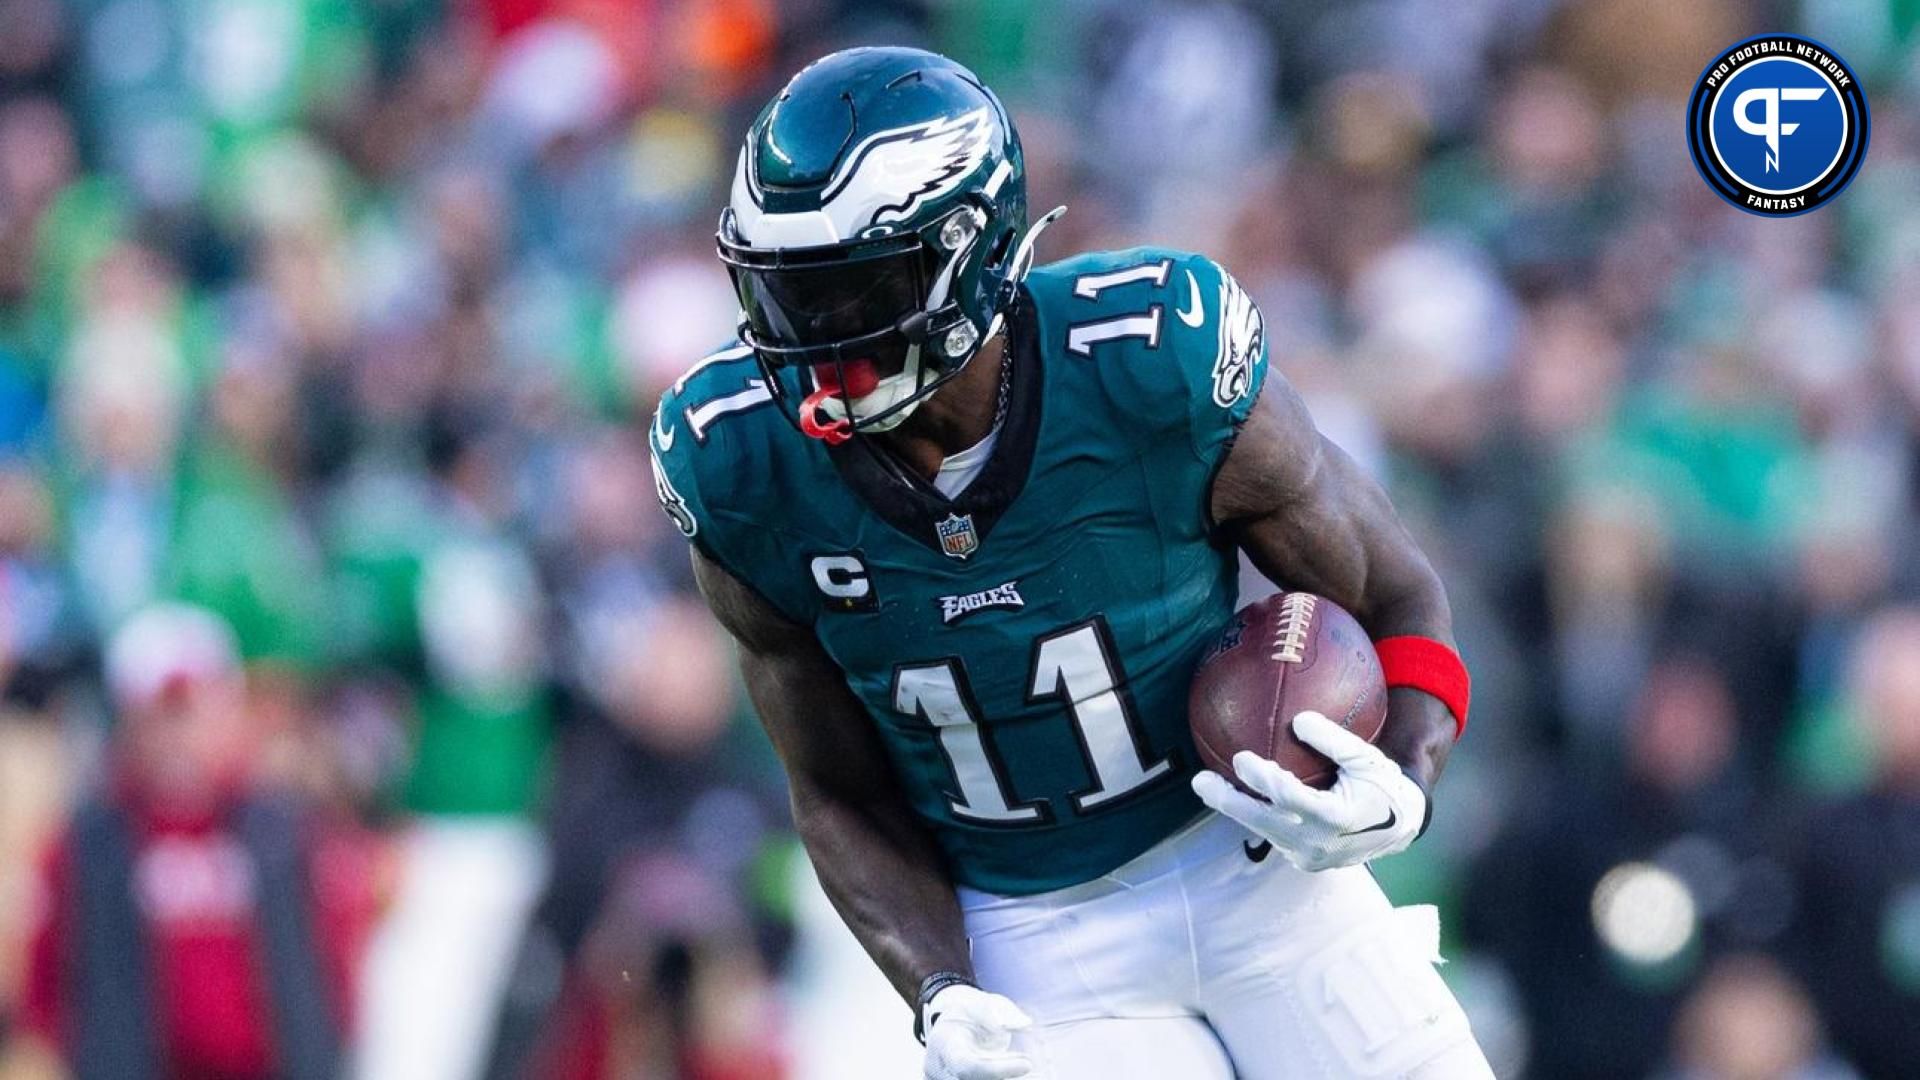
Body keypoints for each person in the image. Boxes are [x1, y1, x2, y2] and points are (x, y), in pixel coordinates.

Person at [654, 47, 1490, 1079]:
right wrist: (938, 988)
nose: (804, 348)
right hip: (1033, 937)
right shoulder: (738, 463)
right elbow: (837, 791)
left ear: (964, 253)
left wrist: (1401, 783)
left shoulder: (1148, 359)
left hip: (1264, 871)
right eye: (779, 297)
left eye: (842, 295)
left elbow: (1396, 592)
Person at [19, 604, 375, 1080]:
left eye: (190, 715)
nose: (177, 736)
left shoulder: (283, 832)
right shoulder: (91, 845)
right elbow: (47, 987)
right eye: (161, 717)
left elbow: (334, 962)